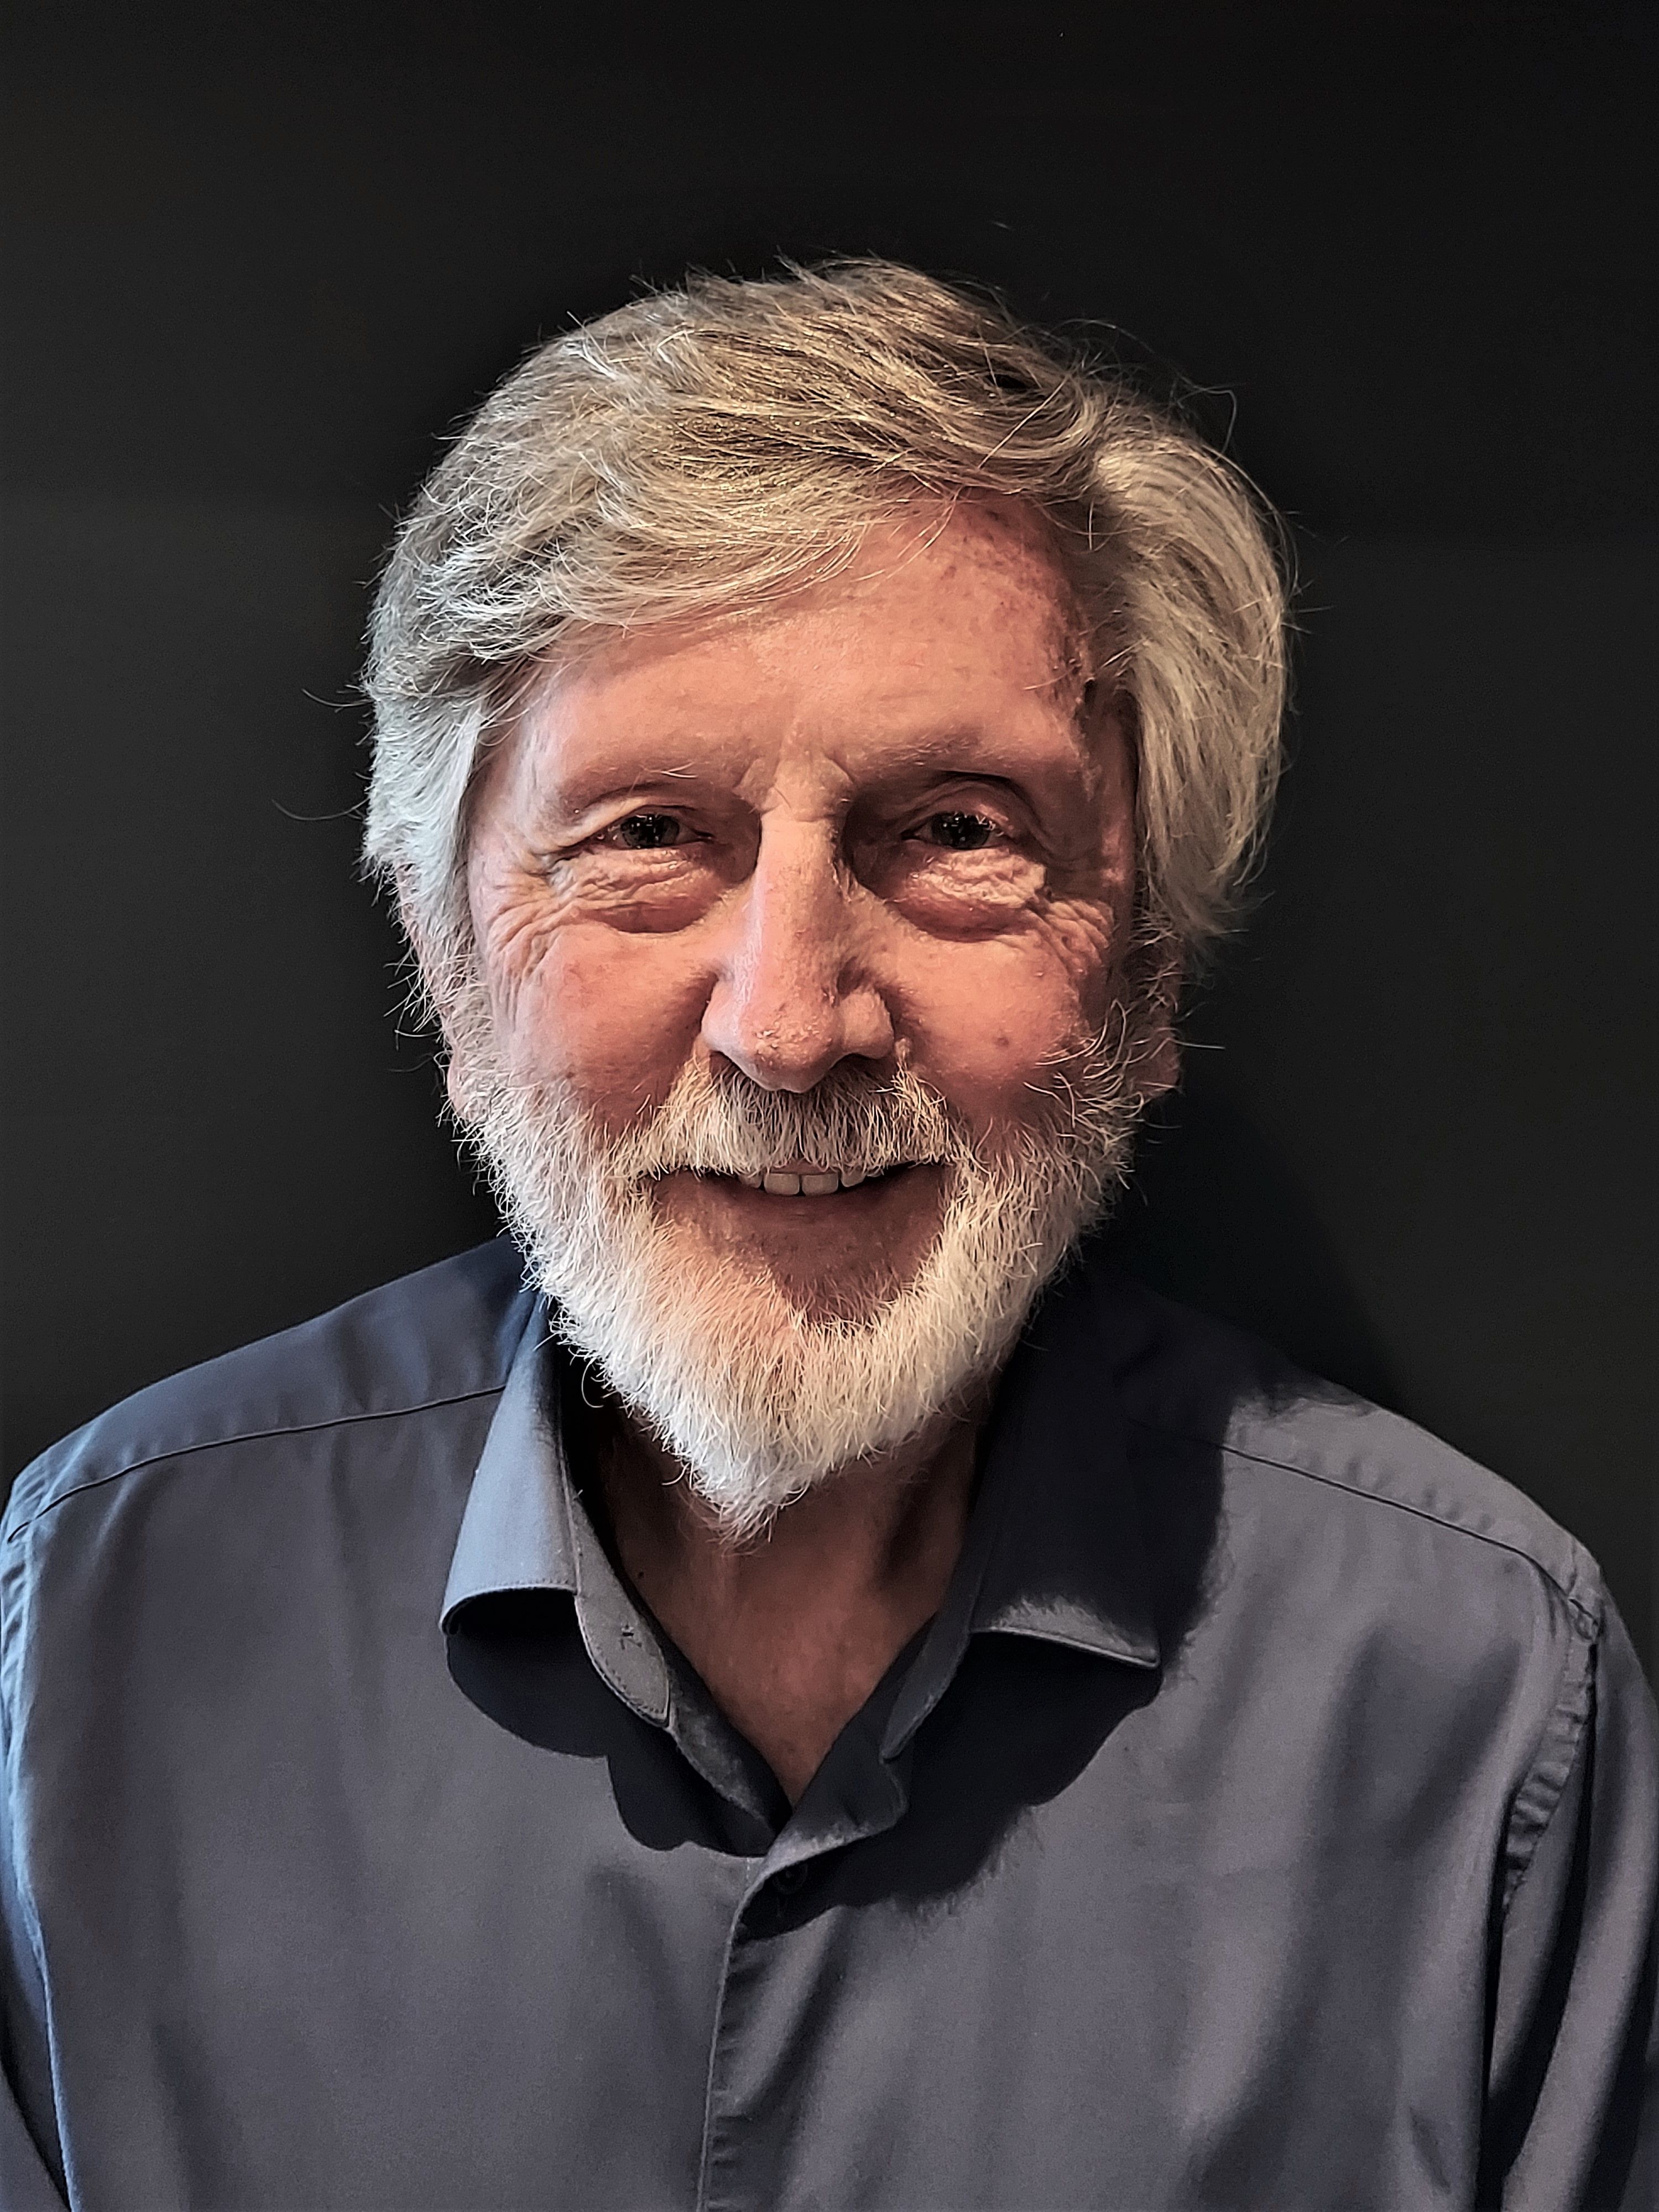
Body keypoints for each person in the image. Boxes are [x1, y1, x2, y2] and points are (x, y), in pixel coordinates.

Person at [1, 261, 1652, 2212]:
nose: (788, 1029)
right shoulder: (90, 1627)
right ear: (445, 956)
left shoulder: (1477, 1704)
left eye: (957, 831)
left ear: (1148, 970)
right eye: (645, 835)